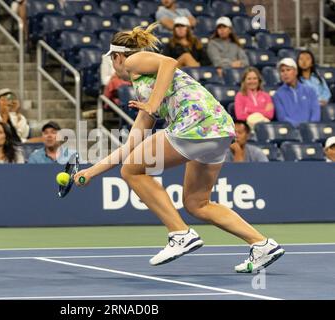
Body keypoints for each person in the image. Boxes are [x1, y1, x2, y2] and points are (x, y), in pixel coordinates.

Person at [73, 24, 284, 273]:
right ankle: (262, 244)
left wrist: (152, 103)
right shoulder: (145, 94)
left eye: (113, 61)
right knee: (197, 203)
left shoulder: (134, 60)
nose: (115, 66)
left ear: (118, 56)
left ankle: (179, 234)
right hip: (218, 129)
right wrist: (90, 173)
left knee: (132, 171)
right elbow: (130, 146)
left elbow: (169, 62)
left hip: (196, 123)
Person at [273, 58, 320, 127]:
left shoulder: (310, 91)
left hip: (311, 129)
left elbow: (315, 113)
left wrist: (309, 127)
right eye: (282, 71)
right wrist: (299, 126)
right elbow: (282, 117)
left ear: (296, 72)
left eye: (288, 70)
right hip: (290, 132)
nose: (285, 73)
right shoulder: (277, 95)